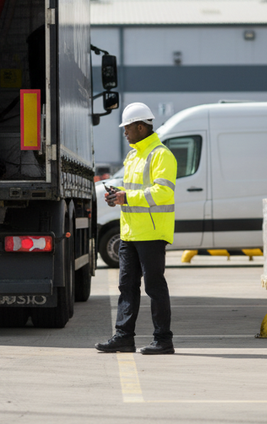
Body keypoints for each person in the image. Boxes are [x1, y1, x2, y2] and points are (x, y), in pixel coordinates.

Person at [95, 102, 177, 355]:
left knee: (154, 287)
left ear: (141, 127)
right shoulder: (133, 156)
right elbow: (132, 190)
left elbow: (163, 192)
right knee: (126, 286)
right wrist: (117, 195)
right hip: (130, 232)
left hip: (151, 233)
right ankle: (123, 337)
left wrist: (127, 197)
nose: (124, 132)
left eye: (127, 128)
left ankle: (163, 340)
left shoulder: (161, 154)